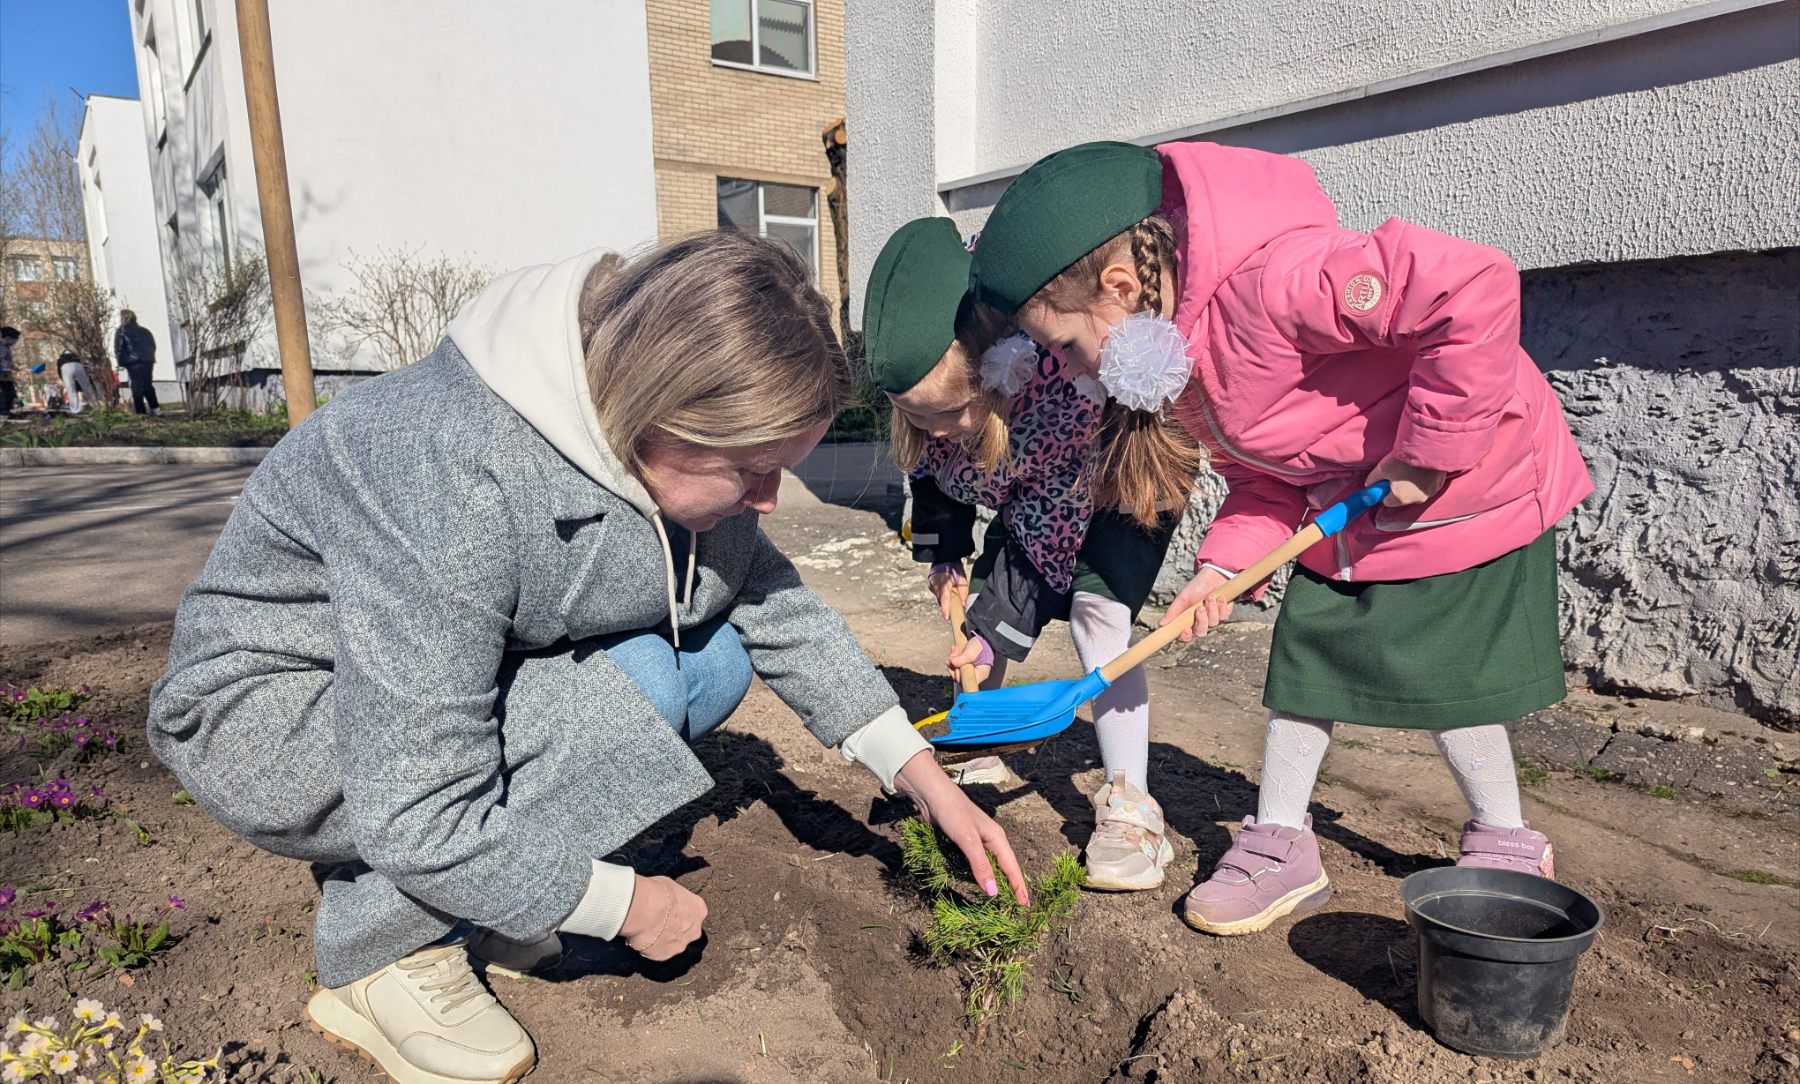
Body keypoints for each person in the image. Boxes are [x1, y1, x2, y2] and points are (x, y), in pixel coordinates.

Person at [148, 232, 1030, 1084]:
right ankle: (389, 956)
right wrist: (622, 904)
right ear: (661, 417)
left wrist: (920, 774)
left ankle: (492, 892)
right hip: (278, 722)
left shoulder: (631, 431)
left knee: (710, 658)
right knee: (641, 685)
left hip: (404, 695)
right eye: (752, 470)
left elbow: (769, 600)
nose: (770, 499)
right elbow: (417, 801)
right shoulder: (450, 470)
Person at [969, 141, 1592, 937]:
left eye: (1065, 346)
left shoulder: (1282, 282)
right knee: (1305, 668)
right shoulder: (1188, 363)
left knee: (1450, 680)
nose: (1072, 370)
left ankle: (1507, 839)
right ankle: (1280, 842)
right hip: (1356, 506)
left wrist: (1432, 450)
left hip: (1472, 488)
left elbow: (1472, 284)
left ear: (1121, 288)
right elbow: (1265, 480)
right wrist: (1221, 568)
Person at [864, 217, 1196, 892]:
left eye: (949, 414)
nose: (936, 432)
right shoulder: (937, 417)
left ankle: (1131, 804)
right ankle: (979, 738)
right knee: (988, 609)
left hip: (1125, 475)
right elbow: (935, 482)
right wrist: (945, 558)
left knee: (1099, 616)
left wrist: (997, 626)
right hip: (1039, 492)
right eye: (916, 417)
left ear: (997, 375)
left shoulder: (1053, 399)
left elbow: (1047, 539)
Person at [114, 309, 161, 415]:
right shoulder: (145, 331)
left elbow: (119, 348)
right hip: (147, 361)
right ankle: (155, 408)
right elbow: (152, 345)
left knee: (137, 385)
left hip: (132, 362)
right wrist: (150, 358)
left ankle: (141, 411)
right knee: (147, 384)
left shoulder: (121, 330)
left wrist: (120, 362)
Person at [0, 327, 18, 415]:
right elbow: (2, 361)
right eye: (14, 341)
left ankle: (7, 410)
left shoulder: (6, 348)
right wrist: (10, 368)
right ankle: (3, 411)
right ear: (8, 338)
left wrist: (14, 367)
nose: (14, 343)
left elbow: (7, 362)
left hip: (6, 376)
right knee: (5, 394)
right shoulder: (1, 347)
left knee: (10, 394)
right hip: (2, 377)